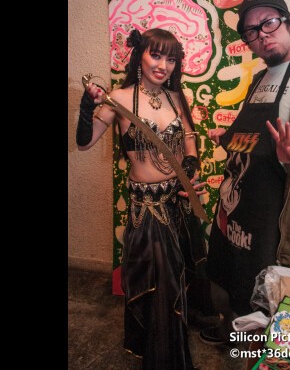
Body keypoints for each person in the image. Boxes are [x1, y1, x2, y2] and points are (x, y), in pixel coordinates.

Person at [199, 0, 290, 344]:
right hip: (241, 211)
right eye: (251, 30)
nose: (262, 34)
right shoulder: (260, 79)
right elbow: (255, 139)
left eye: (269, 22)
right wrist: (228, 138)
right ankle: (237, 335)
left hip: (281, 219)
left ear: (289, 23)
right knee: (237, 280)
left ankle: (266, 353)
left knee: (277, 299)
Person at [76, 28, 207, 369]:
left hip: (176, 204)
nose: (163, 65)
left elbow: (189, 139)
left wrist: (190, 164)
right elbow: (84, 143)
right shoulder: (118, 98)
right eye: (156, 55)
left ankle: (169, 352)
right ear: (140, 56)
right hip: (146, 211)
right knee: (159, 284)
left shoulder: (176, 97)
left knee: (177, 280)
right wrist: (87, 106)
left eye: (171, 59)